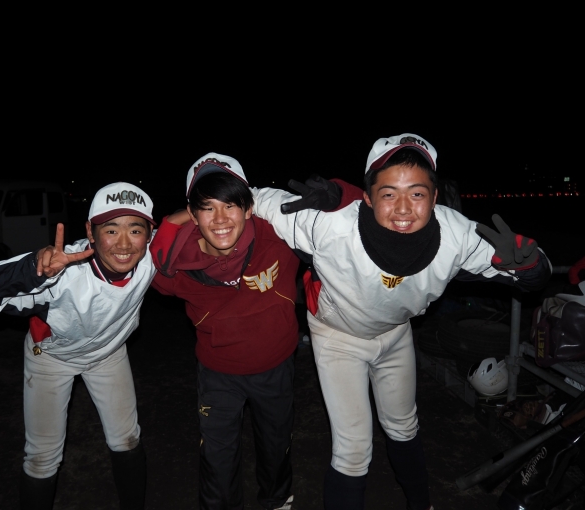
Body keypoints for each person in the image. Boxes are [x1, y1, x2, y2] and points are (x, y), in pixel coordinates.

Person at [252, 133, 553, 510]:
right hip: (337, 337)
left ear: (435, 196)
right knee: (353, 448)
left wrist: (531, 266)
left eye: (417, 193)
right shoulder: (328, 225)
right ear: (367, 197)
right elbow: (255, 199)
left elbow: (534, 272)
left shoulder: (457, 234)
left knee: (404, 427)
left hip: (395, 334)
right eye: (389, 193)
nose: (404, 208)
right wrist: (191, 211)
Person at [149, 153, 353, 510]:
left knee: (276, 445)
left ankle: (277, 500)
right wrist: (167, 224)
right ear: (192, 215)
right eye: (207, 208)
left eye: (230, 204)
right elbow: (121, 259)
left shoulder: (279, 235)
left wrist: (339, 193)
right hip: (217, 374)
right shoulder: (173, 267)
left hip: (276, 367)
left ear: (248, 207)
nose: (220, 219)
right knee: (217, 457)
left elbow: (358, 214)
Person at [0, 182, 156, 510]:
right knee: (42, 457)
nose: (124, 243)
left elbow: (201, 221)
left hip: (108, 353)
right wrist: (33, 270)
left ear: (149, 234)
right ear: (90, 232)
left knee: (127, 439)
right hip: (52, 358)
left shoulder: (151, 256)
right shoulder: (61, 273)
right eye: (111, 230)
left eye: (135, 230)